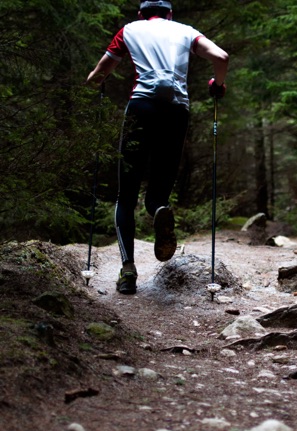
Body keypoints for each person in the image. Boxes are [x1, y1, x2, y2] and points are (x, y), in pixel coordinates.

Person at [86, 0, 229, 295]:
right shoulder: (186, 31)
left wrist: (94, 82)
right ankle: (160, 210)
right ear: (170, 14)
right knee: (159, 191)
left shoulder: (129, 30)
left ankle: (127, 271)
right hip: (176, 111)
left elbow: (101, 72)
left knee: (125, 195)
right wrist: (218, 82)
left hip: (141, 108)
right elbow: (221, 56)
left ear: (141, 14)